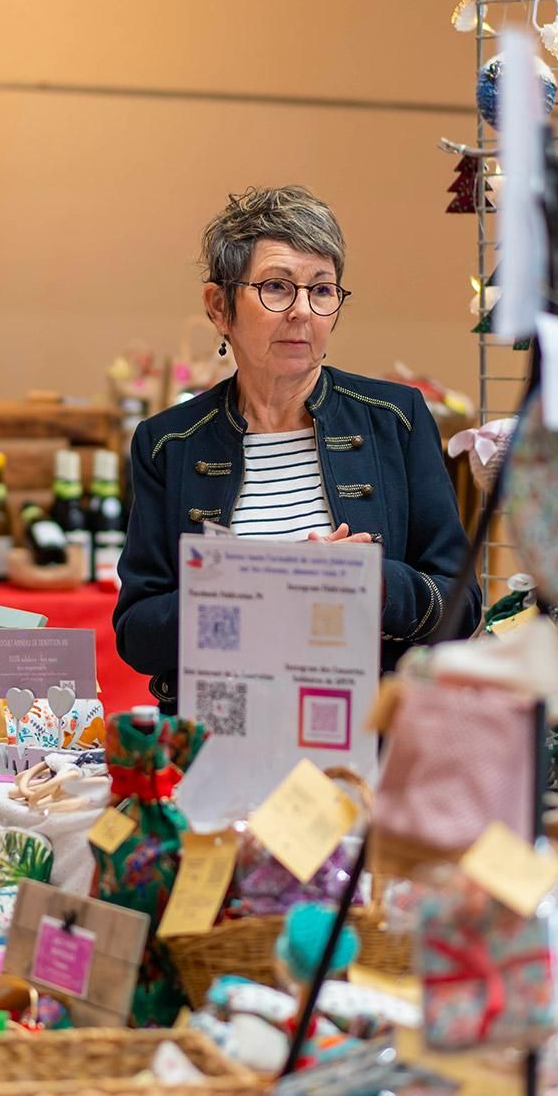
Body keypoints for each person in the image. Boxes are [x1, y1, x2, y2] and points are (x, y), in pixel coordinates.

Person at [114, 185, 478, 710]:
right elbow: (138, 633)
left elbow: (462, 604)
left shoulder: (396, 419)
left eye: (322, 290)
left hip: (367, 740)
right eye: (277, 288)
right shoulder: (169, 443)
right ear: (220, 307)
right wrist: (273, 587)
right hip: (215, 738)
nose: (302, 311)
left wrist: (376, 585)